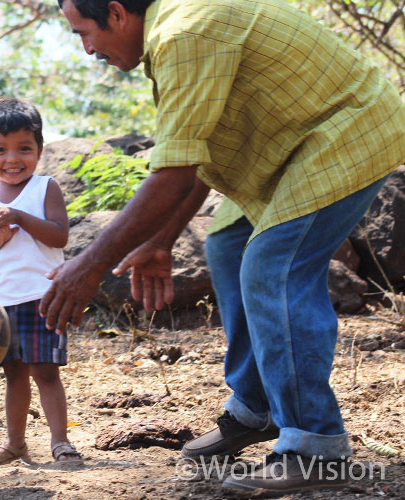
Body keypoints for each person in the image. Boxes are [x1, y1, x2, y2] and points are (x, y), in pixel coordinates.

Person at [43, 0, 405, 493]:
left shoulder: (183, 34)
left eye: (83, 33)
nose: (88, 49)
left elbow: (171, 176)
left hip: (349, 131)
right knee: (230, 243)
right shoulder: (175, 34)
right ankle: (258, 409)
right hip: (299, 148)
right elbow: (193, 154)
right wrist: (161, 241)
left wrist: (89, 264)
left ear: (117, 13)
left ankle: (316, 446)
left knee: (273, 268)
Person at [0, 97, 82, 466]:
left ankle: (60, 442)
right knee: (14, 375)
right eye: (0, 150)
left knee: (46, 372)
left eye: (24, 148)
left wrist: (21, 217)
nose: (12, 159)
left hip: (41, 296)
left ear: (40, 150)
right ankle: (15, 444)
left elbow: (59, 236)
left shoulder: (46, 188)